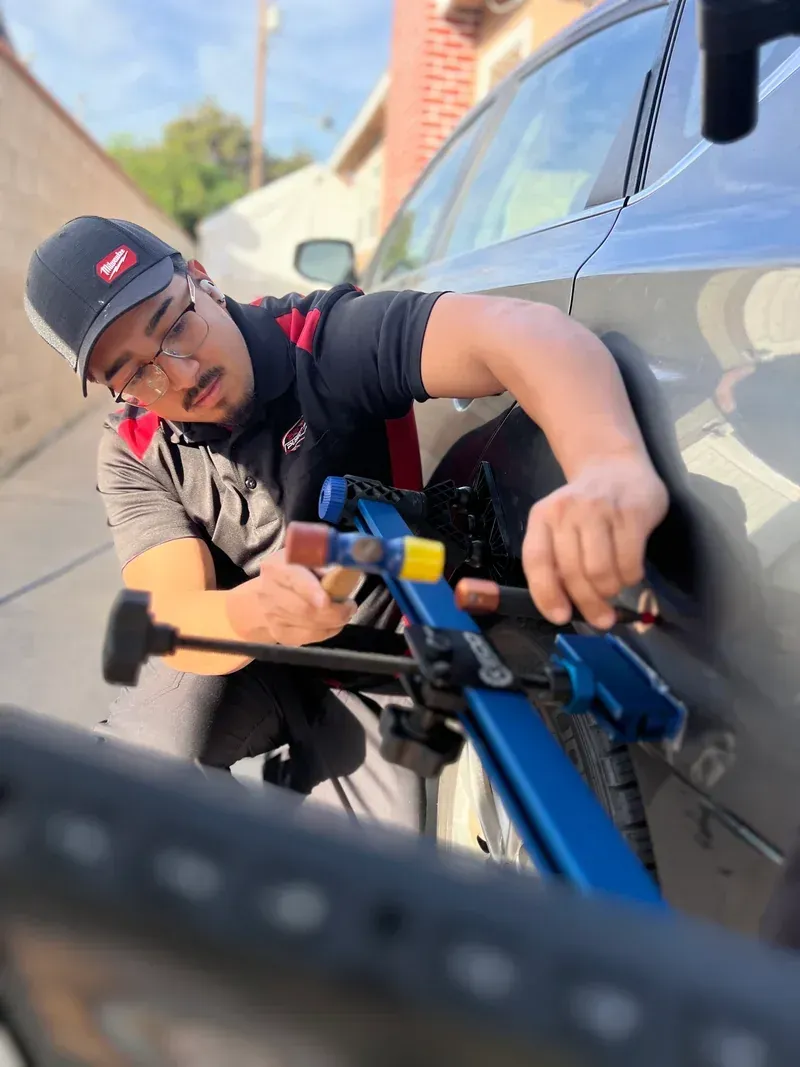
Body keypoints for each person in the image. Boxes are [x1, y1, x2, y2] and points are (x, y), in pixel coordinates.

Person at [24, 216, 668, 832]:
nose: (183, 375)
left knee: (367, 907)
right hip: (248, 657)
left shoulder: (320, 340)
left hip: (378, 668)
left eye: (177, 325)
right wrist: (254, 616)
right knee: (133, 777)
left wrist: (607, 465)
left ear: (201, 279)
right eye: (137, 372)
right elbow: (169, 618)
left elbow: (519, 333)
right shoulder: (135, 445)